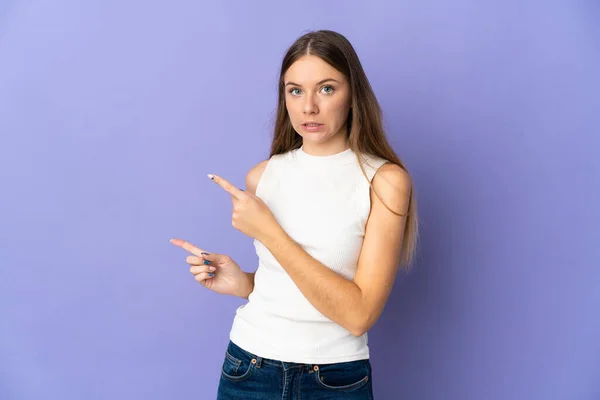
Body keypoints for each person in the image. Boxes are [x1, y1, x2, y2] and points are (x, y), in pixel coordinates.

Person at [171, 29, 418, 400]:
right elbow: (292, 288)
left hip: (335, 379)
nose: (308, 107)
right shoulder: (262, 176)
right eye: (295, 90)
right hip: (247, 369)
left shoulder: (384, 182)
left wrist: (270, 233)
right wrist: (245, 284)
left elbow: (358, 314)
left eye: (327, 88)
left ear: (353, 95)